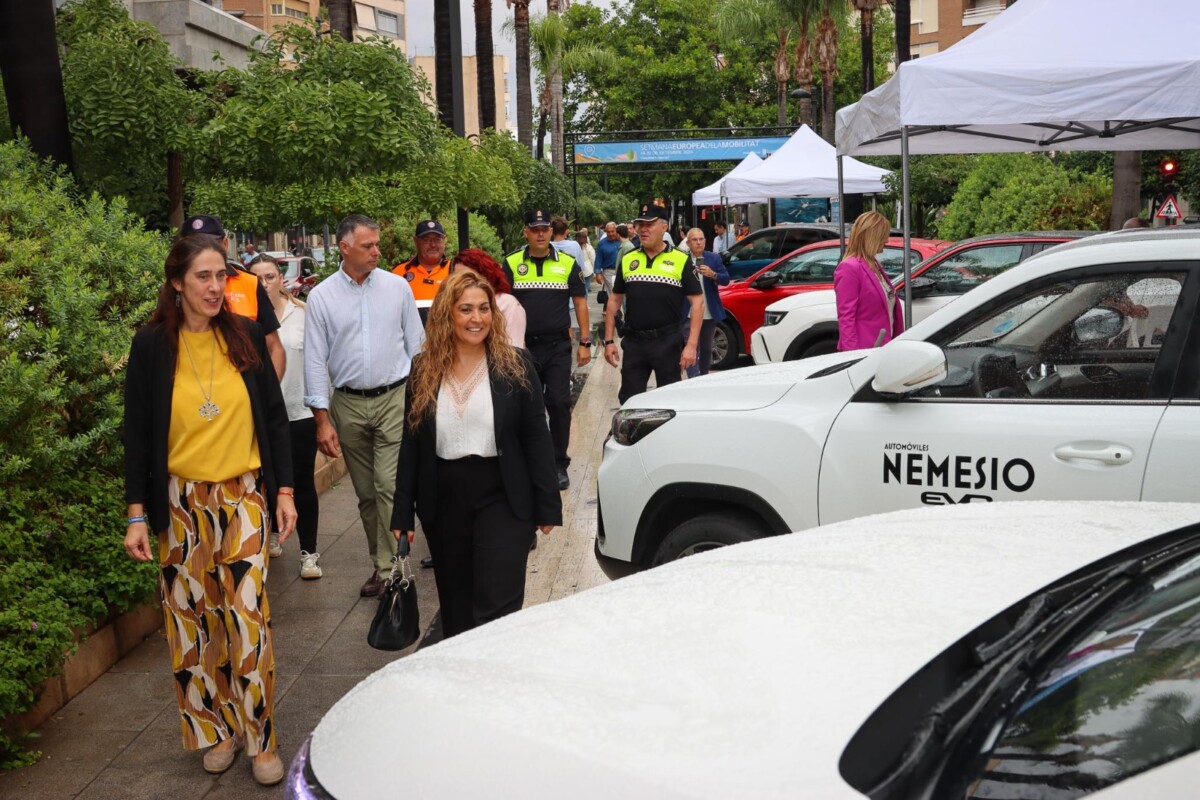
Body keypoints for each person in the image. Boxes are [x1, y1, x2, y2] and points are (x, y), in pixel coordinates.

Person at [122, 235, 296, 786]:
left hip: (242, 496)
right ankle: (217, 730)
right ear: (177, 282)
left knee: (246, 619)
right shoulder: (151, 346)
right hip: (179, 502)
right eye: (203, 276)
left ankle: (260, 739)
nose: (216, 286)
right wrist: (134, 512)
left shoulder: (244, 335)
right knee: (194, 625)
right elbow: (137, 435)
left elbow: (273, 418)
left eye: (221, 275)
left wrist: (285, 491)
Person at [390, 271, 561, 639]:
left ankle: (497, 684)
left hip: (503, 494)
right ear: (446, 315)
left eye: (484, 309)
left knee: (497, 605)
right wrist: (402, 511)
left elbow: (536, 437)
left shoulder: (515, 364)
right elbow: (412, 443)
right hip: (444, 499)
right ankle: (465, 688)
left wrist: (547, 504)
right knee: (457, 608)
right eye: (465, 309)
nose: (477, 318)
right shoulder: (423, 369)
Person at [304, 214, 425, 597]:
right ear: (344, 248)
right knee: (366, 493)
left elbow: (417, 346)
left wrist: (422, 399)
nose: (376, 251)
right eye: (368, 245)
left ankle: (391, 570)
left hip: (394, 397)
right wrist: (321, 419)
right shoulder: (322, 296)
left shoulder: (396, 288)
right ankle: (382, 563)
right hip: (348, 404)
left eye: (376, 244)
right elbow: (313, 359)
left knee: (388, 484)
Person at [503, 209, 591, 491]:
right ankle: (530, 462)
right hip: (522, 349)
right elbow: (501, 303)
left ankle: (558, 464)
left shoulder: (567, 263)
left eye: (545, 228)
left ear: (551, 232)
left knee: (558, 402)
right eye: (534, 228)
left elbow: (580, 303)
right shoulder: (512, 263)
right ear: (525, 232)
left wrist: (586, 342)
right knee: (525, 407)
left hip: (557, 347)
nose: (540, 233)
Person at [249, 254, 322, 578]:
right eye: (258, 278)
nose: (264, 284)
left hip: (298, 412)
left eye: (269, 277)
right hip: (258, 418)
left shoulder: (303, 315)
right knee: (266, 483)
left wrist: (324, 413)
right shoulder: (242, 319)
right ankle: (273, 537)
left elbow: (319, 363)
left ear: (281, 280)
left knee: (302, 482)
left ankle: (309, 553)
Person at [603, 202, 703, 404]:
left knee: (668, 402)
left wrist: (691, 345)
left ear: (664, 227)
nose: (643, 229)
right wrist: (608, 341)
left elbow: (698, 302)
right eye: (640, 224)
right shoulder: (628, 259)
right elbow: (615, 299)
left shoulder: (681, 260)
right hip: (634, 342)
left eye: (649, 224)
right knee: (630, 401)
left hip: (667, 342)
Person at [181, 215, 285, 380]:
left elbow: (275, 348)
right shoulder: (176, 289)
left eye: (211, 244)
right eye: (193, 245)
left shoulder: (250, 283)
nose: (203, 251)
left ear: (224, 244)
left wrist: (267, 397)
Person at [833, 210, 904, 351]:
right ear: (872, 237)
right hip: (865, 351)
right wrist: (852, 357)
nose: (887, 241)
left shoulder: (874, 264)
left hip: (883, 348)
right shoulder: (849, 268)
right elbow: (846, 318)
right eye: (884, 236)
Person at [680, 227, 731, 377]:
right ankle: (693, 379)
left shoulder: (713, 258)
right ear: (688, 243)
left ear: (705, 241)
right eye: (694, 240)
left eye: (701, 239)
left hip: (708, 311)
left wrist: (712, 274)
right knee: (691, 347)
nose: (698, 243)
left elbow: (726, 279)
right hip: (688, 312)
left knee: (707, 348)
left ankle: (703, 377)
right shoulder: (682, 259)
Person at [452, 248, 526, 348]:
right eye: (457, 278)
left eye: (468, 277)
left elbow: (514, 349)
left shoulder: (507, 303)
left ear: (486, 274)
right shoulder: (453, 302)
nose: (462, 282)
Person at [393, 219, 452, 324]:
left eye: (437, 239)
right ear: (416, 241)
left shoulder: (455, 270)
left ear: (444, 240)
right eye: (426, 239)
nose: (433, 245)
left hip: (448, 339)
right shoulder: (399, 273)